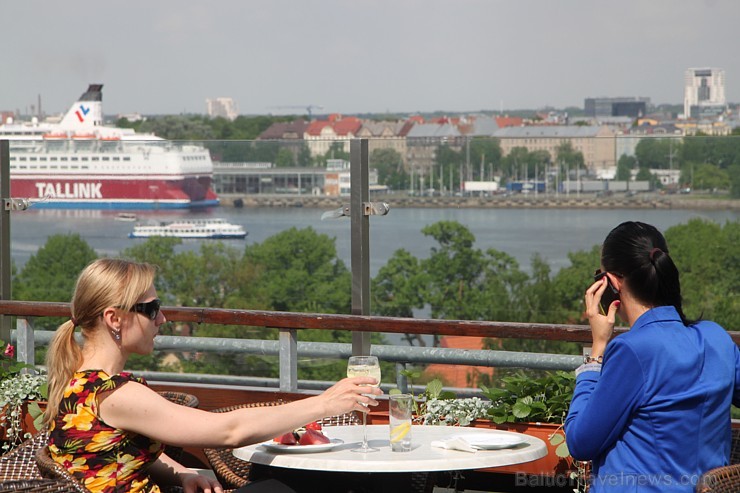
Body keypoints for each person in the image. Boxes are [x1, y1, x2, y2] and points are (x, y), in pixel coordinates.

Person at [44, 258, 382, 493]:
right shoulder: (115, 395)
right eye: (151, 309)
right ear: (114, 319)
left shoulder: (81, 383)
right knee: (305, 484)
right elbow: (229, 431)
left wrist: (183, 473)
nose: (162, 319)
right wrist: (324, 404)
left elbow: (117, 454)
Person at [565, 221, 740, 492]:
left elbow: (580, 443)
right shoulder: (716, 338)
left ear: (610, 283)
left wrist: (597, 351)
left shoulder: (631, 351)